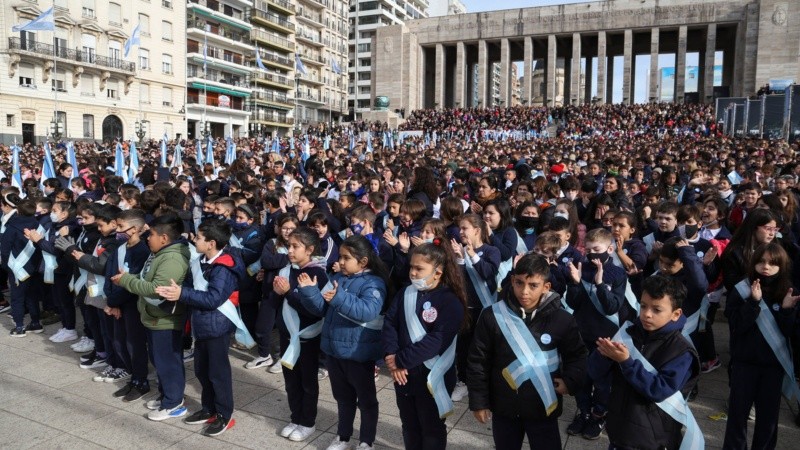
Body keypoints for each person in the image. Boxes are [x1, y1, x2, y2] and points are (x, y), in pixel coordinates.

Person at [467, 254, 588, 450]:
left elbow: (578, 355)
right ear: (512, 280)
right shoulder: (492, 316)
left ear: (546, 287)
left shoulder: (562, 319)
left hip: (543, 405)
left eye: (533, 285)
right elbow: (478, 361)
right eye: (519, 283)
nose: (524, 291)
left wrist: (570, 381)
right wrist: (479, 401)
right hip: (504, 405)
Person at [155, 218, 247, 437]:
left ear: (212, 243)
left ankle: (224, 414)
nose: (194, 239)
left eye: (199, 237)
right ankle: (209, 409)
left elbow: (214, 298)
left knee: (218, 373)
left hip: (217, 325)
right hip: (201, 324)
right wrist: (177, 291)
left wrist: (183, 294)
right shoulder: (200, 260)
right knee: (202, 371)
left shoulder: (224, 266)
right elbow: (189, 284)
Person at [298, 235, 389, 450]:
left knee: (366, 401)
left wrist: (337, 297)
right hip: (334, 350)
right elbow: (322, 308)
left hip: (359, 352)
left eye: (346, 258)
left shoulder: (374, 283)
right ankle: (343, 437)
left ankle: (367, 441)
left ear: (363, 261)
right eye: (340, 256)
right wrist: (310, 291)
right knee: (342, 398)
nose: (340, 261)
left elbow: (367, 311)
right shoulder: (338, 277)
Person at [589, 275, 701, 449]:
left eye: (657, 310)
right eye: (643, 306)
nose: (647, 314)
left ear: (676, 314)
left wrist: (626, 362)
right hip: (619, 427)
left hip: (652, 437)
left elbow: (659, 389)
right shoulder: (628, 333)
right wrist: (603, 354)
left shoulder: (681, 351)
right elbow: (595, 373)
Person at [382, 242, 467, 450]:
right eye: (411, 267)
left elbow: (436, 340)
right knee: (409, 424)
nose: (412, 273)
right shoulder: (405, 293)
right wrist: (391, 355)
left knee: (432, 427)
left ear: (438, 272)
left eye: (419, 269)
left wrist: (400, 360)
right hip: (403, 374)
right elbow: (390, 323)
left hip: (432, 375)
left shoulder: (450, 301)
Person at [111, 213, 191, 422]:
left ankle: (174, 403)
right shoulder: (159, 253)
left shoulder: (172, 258)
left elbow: (158, 289)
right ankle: (167, 394)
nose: (148, 238)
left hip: (164, 319)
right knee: (160, 360)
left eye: (152, 234)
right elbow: (147, 277)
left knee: (168, 362)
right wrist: (130, 278)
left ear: (164, 238)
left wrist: (127, 281)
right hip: (154, 317)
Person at [724, 242, 800, 449]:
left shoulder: (789, 291)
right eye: (761, 261)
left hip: (772, 367)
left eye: (773, 263)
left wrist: (786, 311)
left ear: (782, 265)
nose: (766, 266)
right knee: (737, 416)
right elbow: (736, 327)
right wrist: (753, 303)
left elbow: (791, 333)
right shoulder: (742, 289)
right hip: (744, 363)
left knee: (768, 419)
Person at [563, 228, 629, 440]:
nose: (592, 254)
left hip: (606, 337)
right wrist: (574, 282)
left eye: (597, 249)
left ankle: (598, 414)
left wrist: (600, 285)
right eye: (588, 249)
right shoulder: (582, 268)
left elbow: (612, 307)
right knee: (582, 378)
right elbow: (573, 303)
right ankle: (583, 412)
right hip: (583, 333)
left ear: (610, 249)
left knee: (602, 381)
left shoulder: (618, 274)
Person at [273, 227, 328, 442]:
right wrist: (278, 293)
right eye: (289, 246)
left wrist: (289, 293)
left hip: (307, 336)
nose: (290, 250)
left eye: (296, 246)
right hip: (287, 335)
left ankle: (308, 422)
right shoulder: (287, 271)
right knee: (291, 380)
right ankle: (295, 417)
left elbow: (316, 310)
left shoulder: (318, 274)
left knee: (307, 381)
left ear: (310, 249)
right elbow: (274, 303)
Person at [103, 209, 152, 401]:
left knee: (135, 344)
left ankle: (141, 381)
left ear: (136, 229)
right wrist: (110, 300)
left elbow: (136, 281)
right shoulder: (120, 247)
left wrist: (115, 300)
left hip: (131, 303)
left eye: (122, 226)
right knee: (119, 341)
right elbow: (109, 274)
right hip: (116, 303)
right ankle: (133, 377)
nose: (118, 229)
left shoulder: (142, 251)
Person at [1, 193, 44, 336]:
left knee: (17, 298)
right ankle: (36, 323)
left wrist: (8, 267)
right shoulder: (39, 225)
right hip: (34, 266)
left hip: (17, 268)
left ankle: (19, 327)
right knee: (32, 296)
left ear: (18, 211)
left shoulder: (12, 227)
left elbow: (5, 249)